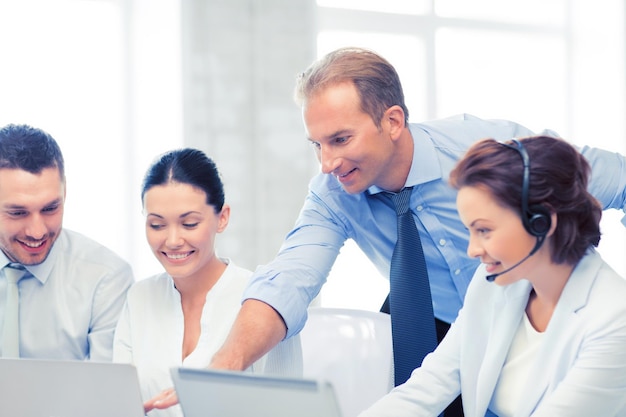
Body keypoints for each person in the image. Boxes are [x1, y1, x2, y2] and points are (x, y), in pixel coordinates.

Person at [151, 48, 626, 415]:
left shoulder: (491, 155)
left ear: (392, 121)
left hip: (536, 301)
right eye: (317, 144)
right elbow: (290, 279)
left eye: (340, 140)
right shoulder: (333, 192)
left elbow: (613, 179)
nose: (327, 162)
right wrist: (229, 363)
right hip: (447, 319)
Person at [358, 135, 626, 416]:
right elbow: (430, 384)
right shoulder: (493, 283)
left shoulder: (614, 319)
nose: (472, 250)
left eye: (484, 230)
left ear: (541, 221)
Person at [113, 148, 302, 417]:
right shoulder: (140, 297)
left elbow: (287, 409)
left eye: (189, 223)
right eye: (156, 225)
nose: (173, 240)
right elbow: (121, 404)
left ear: (222, 218)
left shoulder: (264, 302)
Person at [0, 123, 134, 361]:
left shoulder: (106, 279)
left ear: (66, 193)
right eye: (18, 213)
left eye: (51, 208)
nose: (37, 231)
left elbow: (106, 392)